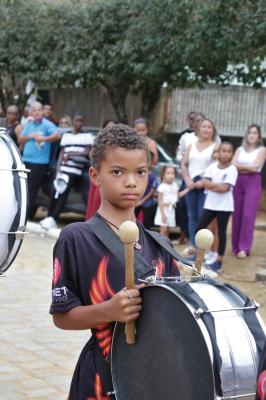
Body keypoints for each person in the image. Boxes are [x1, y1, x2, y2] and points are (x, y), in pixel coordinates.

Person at [50, 124, 180, 400]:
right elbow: (62, 316)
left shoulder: (162, 244)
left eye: (140, 172)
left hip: (153, 378)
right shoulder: (76, 239)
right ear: (95, 176)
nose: (131, 182)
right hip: (100, 379)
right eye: (118, 172)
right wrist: (108, 310)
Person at [39, 115, 94, 230]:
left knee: (63, 191)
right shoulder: (67, 135)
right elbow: (62, 153)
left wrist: (71, 155)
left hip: (75, 168)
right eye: (77, 120)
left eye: (81, 121)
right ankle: (49, 217)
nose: (79, 123)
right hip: (63, 169)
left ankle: (54, 218)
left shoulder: (87, 136)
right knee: (55, 191)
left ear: (83, 122)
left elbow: (87, 152)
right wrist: (58, 169)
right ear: (73, 122)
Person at [196, 142, 238, 272]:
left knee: (221, 232)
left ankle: (219, 260)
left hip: (224, 207)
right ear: (218, 152)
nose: (225, 153)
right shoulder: (212, 167)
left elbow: (225, 189)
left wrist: (211, 185)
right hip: (211, 204)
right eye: (223, 150)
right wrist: (217, 185)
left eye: (228, 151)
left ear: (232, 154)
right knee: (200, 228)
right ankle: (201, 255)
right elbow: (204, 182)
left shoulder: (232, 169)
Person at [181, 118, 219, 255]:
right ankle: (193, 244)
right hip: (191, 184)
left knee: (204, 217)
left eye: (209, 127)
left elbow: (216, 168)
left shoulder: (216, 147)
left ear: (213, 130)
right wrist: (187, 180)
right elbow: (183, 164)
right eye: (204, 126)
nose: (206, 129)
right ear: (199, 129)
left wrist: (203, 181)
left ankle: (204, 248)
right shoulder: (191, 145)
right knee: (192, 216)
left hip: (206, 186)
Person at [18, 102, 60, 219]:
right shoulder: (29, 125)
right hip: (26, 161)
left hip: (39, 163)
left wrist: (44, 138)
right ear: (31, 113)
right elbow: (21, 139)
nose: (37, 112)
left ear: (42, 112)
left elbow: (57, 135)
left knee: (31, 189)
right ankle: (24, 214)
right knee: (23, 188)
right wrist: (30, 136)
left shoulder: (47, 124)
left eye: (39, 110)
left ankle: (26, 216)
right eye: (34, 110)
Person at [231, 124, 266, 258]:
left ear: (259, 136)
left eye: (255, 133)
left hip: (253, 182)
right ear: (246, 135)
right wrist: (247, 167)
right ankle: (235, 246)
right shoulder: (240, 149)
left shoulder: (262, 149)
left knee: (248, 215)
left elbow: (256, 167)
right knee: (237, 214)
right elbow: (233, 165)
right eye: (250, 132)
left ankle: (244, 248)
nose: (252, 135)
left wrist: (241, 167)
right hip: (238, 181)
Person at [85, 119, 117, 220]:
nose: (110, 129)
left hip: (113, 180)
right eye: (108, 127)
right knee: (96, 203)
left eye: (113, 127)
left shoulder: (120, 145)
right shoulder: (98, 143)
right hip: (99, 178)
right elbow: (92, 157)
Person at [154, 165, 189, 238]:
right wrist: (163, 214)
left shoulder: (175, 185)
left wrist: (188, 189)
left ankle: (166, 246)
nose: (171, 175)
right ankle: (161, 247)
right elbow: (160, 201)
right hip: (163, 210)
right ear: (163, 175)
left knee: (167, 230)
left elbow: (178, 195)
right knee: (163, 230)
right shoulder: (162, 187)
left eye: (173, 173)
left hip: (171, 209)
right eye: (168, 173)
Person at [135, 156, 158, 229]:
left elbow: (152, 191)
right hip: (137, 200)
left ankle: (146, 238)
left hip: (148, 202)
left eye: (148, 162)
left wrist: (141, 201)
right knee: (131, 220)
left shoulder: (153, 177)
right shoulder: (138, 174)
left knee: (147, 223)